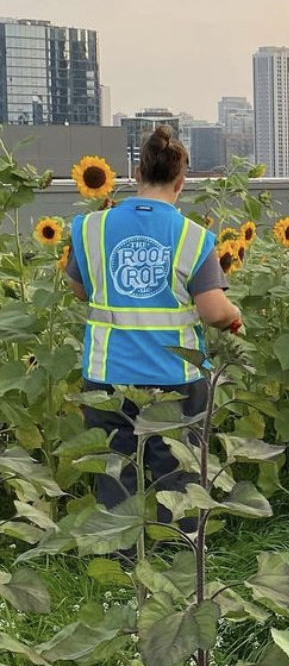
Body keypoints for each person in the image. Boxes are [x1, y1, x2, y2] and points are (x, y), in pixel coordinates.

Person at [64, 126, 242, 518]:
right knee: (176, 470)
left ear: (137, 174)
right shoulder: (192, 237)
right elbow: (214, 310)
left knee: (116, 467)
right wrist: (234, 317)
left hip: (107, 371)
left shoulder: (92, 228)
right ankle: (179, 553)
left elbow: (80, 289)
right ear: (181, 183)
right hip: (174, 375)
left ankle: (121, 561)